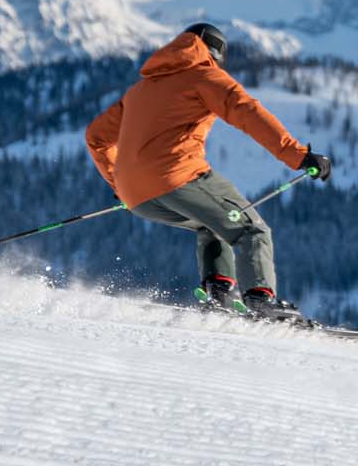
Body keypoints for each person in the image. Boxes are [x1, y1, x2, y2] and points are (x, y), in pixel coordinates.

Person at [85, 22, 332, 320]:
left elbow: (96, 136)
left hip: (134, 194)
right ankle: (260, 300)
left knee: (210, 225)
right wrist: (300, 157)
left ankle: (219, 295)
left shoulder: (141, 89)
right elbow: (248, 113)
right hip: (178, 175)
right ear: (215, 52)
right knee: (252, 230)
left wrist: (118, 183)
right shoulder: (205, 76)